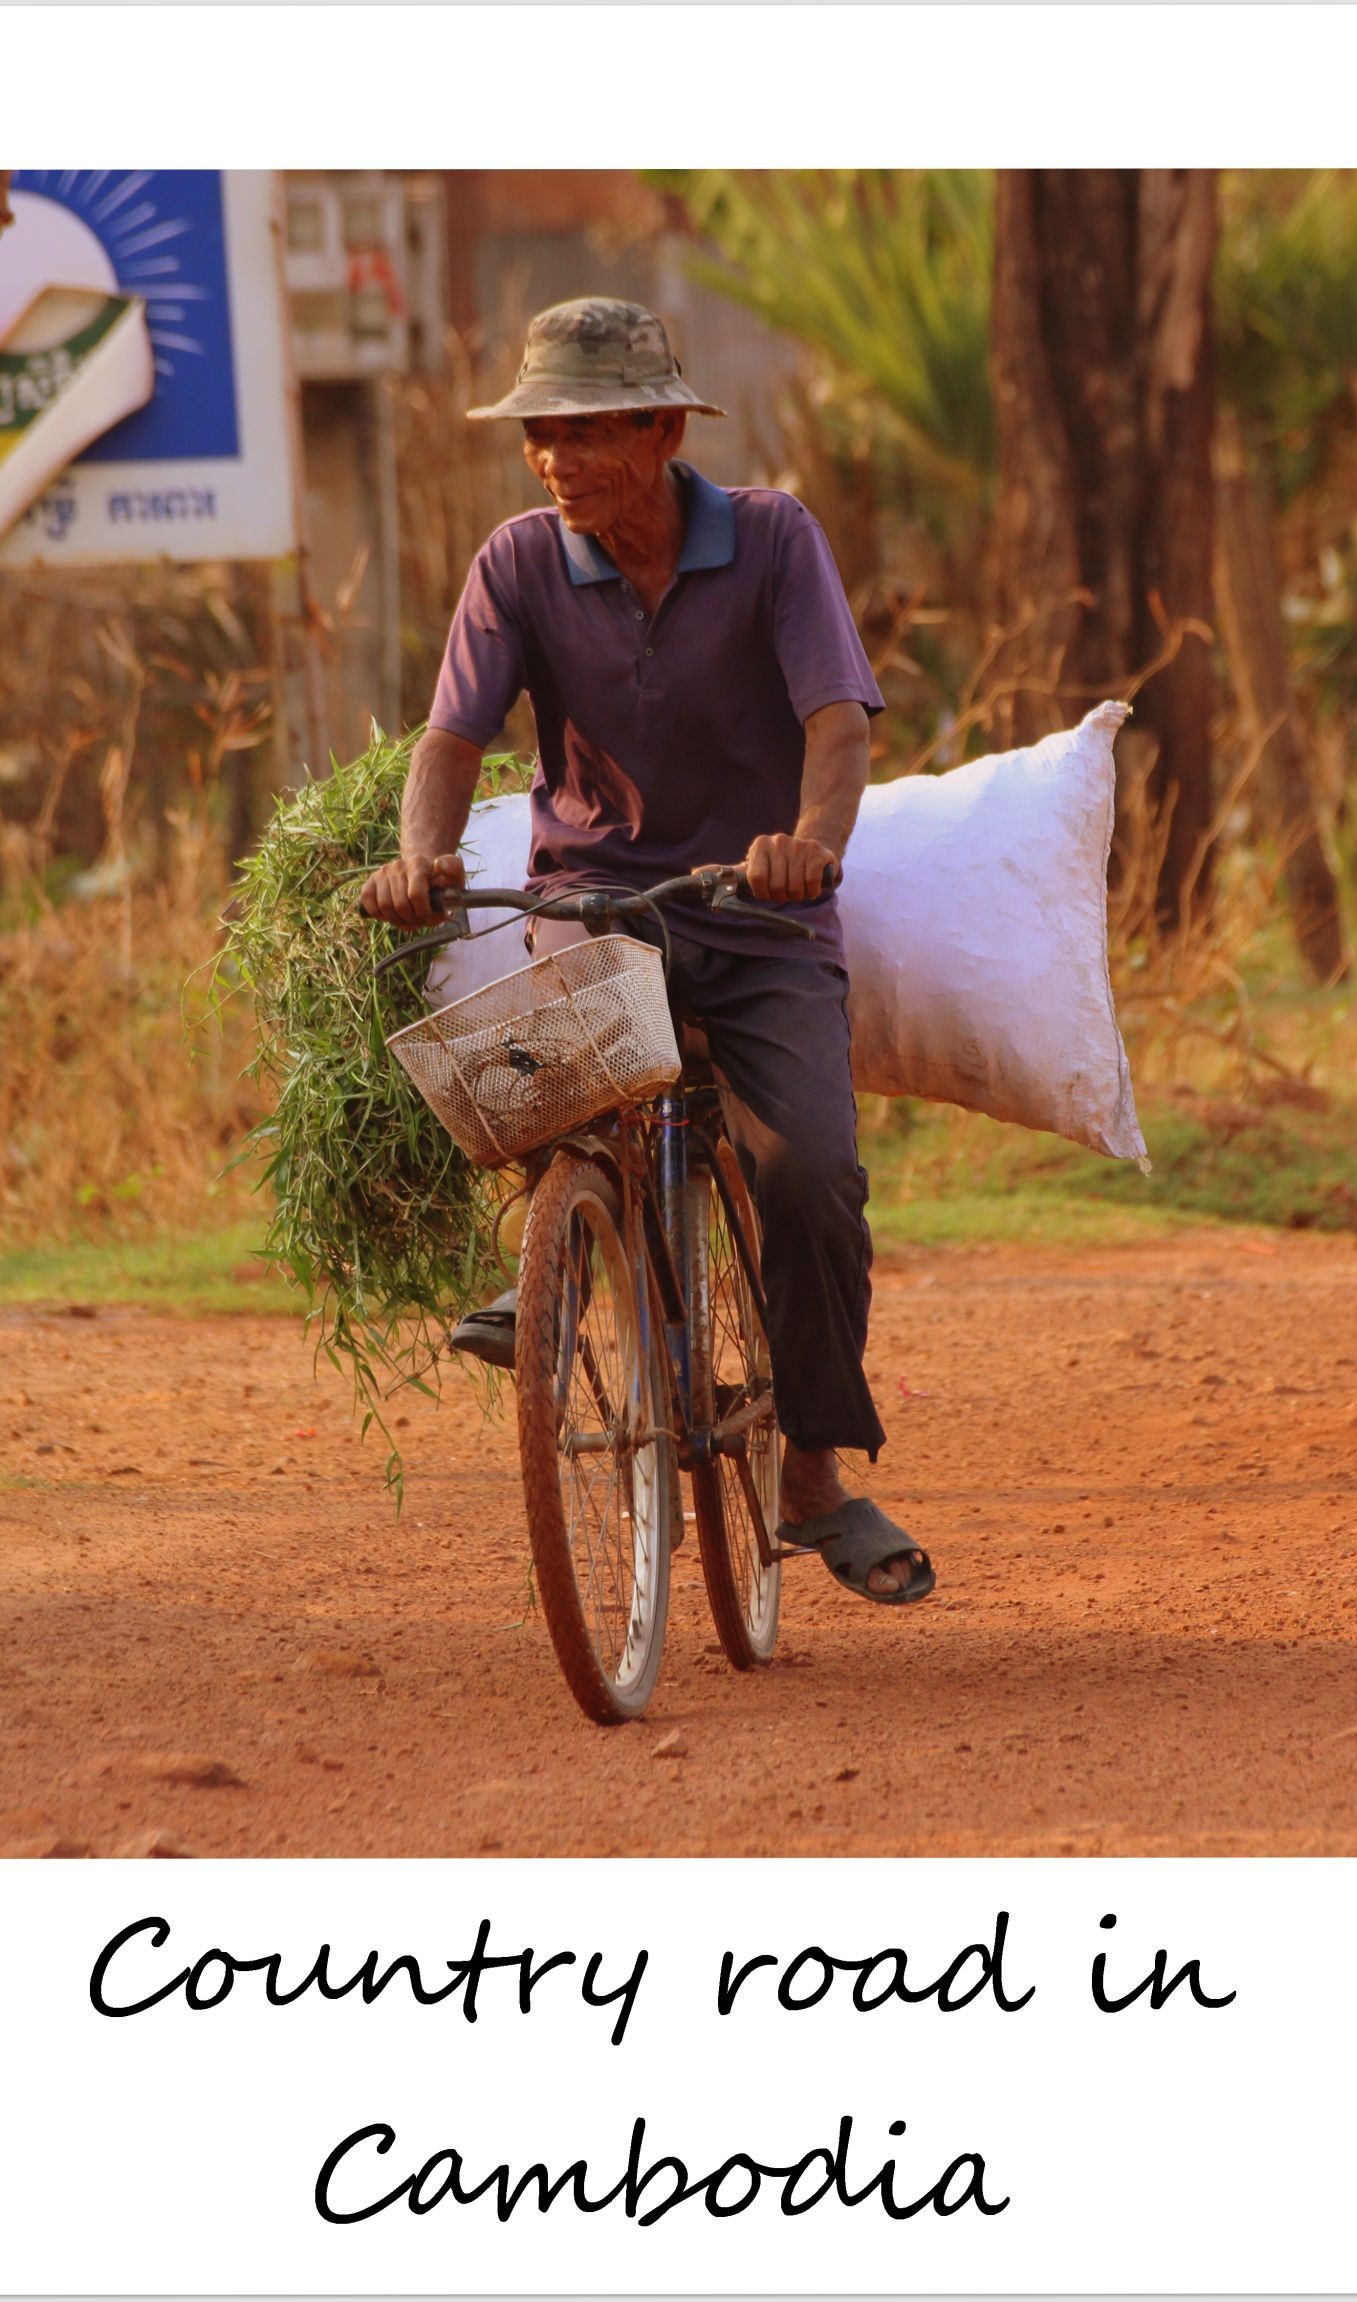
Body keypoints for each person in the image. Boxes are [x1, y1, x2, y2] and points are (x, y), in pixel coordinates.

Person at [358, 298, 930, 1606]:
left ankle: (812, 1476)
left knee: (813, 1181)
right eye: (538, 436)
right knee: (551, 1085)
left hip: (759, 912)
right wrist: (421, 853)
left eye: (582, 431)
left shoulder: (775, 541)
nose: (554, 460)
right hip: (601, 910)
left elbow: (837, 724)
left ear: (665, 428)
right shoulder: (517, 562)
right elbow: (450, 741)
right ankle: (559, 1262)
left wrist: (809, 841)